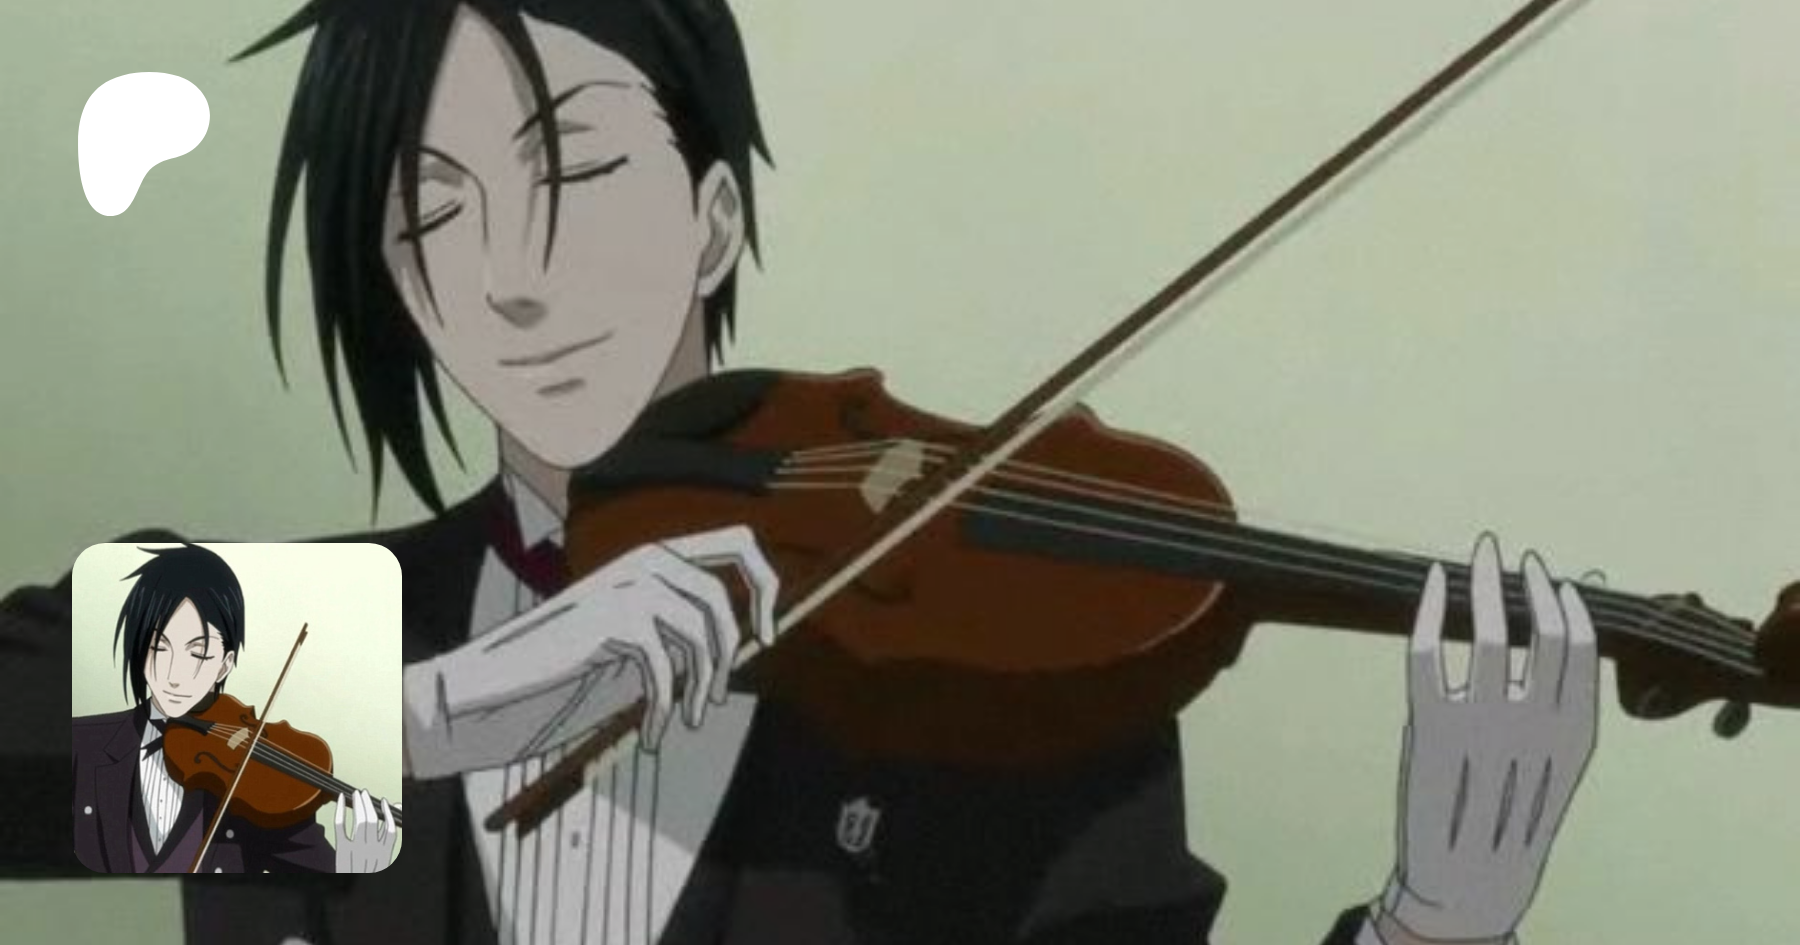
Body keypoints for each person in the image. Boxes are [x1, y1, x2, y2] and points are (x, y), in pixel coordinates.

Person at [0, 0, 1600, 941]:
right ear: (400, 285)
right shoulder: (316, 634)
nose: (511, 277)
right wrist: (431, 710)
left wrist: (1431, 926)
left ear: (711, 216)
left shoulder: (1007, 676)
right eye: (433, 212)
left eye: (577, 169)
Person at [69, 543, 397, 875]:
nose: (173, 675)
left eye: (198, 654)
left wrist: (356, 872)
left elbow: (319, 877)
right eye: (159, 647)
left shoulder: (262, 788)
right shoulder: (79, 744)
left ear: (225, 664)